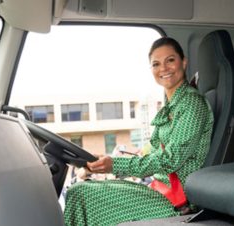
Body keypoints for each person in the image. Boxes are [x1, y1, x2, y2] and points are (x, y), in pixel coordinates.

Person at [64, 37, 214, 226]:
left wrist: (114, 165)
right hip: (158, 189)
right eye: (156, 64)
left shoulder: (191, 104)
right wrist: (106, 160)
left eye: (170, 60)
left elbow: (170, 159)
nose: (164, 68)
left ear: (183, 62)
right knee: (84, 188)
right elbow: (152, 151)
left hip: (177, 201)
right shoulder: (171, 105)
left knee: (81, 194)